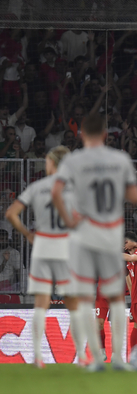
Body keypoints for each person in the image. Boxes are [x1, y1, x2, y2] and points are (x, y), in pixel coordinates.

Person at [51, 113, 137, 372]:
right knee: (115, 300)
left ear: (81, 135)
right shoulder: (119, 159)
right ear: (104, 135)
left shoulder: (74, 160)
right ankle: (120, 360)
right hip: (110, 236)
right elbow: (134, 196)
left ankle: (92, 359)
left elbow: (57, 192)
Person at [4, 145, 86, 368]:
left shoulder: (38, 187)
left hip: (42, 247)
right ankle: (81, 357)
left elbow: (10, 214)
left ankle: (37, 357)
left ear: (52, 163)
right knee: (73, 305)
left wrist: (28, 234)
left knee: (40, 305)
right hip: (66, 249)